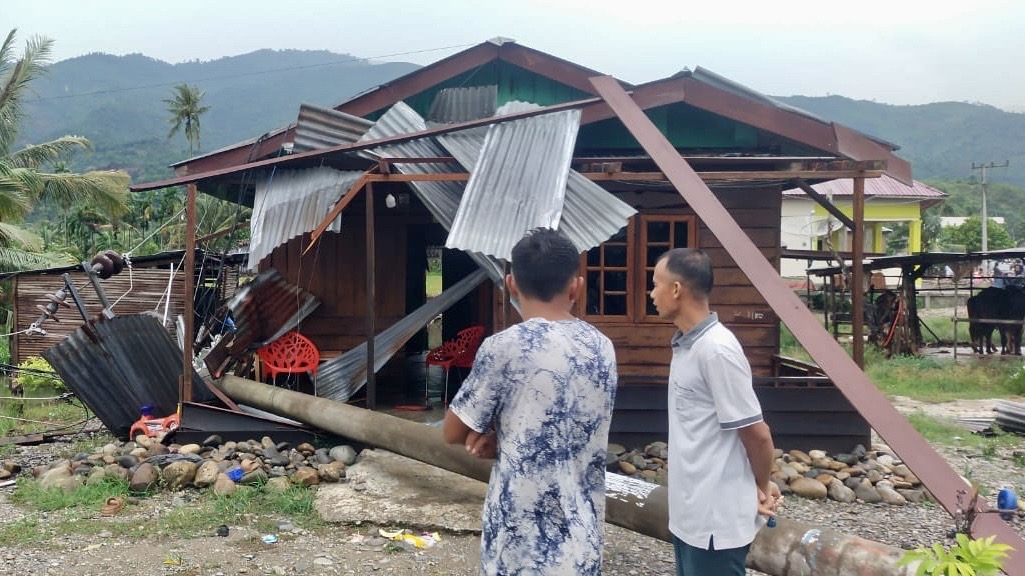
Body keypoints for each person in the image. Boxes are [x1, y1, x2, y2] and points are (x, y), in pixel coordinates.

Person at [443, 227, 618, 576]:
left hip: (519, 542)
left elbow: (452, 430)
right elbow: (567, 424)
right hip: (581, 539)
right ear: (576, 286)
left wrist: (501, 439)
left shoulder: (503, 347)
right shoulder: (602, 347)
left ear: (510, 284)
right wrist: (510, 436)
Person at [649, 248, 781, 576]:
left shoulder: (716, 350)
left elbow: (757, 435)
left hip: (714, 522)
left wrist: (762, 487)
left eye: (655, 284)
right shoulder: (687, 345)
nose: (652, 294)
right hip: (691, 514)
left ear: (676, 290)